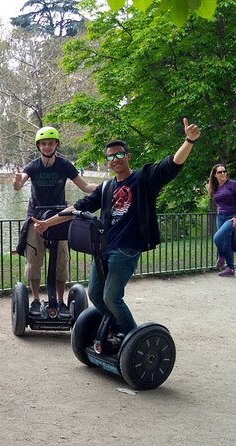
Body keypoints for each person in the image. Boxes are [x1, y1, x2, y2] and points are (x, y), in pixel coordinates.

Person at [32, 118, 201, 337]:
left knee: (111, 297)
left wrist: (189, 140)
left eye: (120, 154)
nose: (115, 159)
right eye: (111, 156)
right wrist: (47, 223)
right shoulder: (107, 188)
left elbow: (171, 165)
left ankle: (133, 338)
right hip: (104, 248)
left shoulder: (143, 179)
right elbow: (77, 207)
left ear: (128, 156)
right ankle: (114, 329)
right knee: (94, 294)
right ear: (108, 161)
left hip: (127, 249)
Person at [13, 126, 97, 318]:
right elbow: (19, 184)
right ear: (39, 146)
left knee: (61, 261)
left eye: (51, 143)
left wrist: (105, 187)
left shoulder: (64, 165)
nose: (47, 146)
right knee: (34, 261)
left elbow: (84, 187)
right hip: (36, 217)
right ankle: (35, 299)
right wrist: (17, 181)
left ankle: (60, 301)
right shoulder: (33, 166)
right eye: (44, 143)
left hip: (59, 218)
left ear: (56, 144)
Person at [206, 164, 236, 277]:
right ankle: (230, 268)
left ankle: (221, 255)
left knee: (217, 237)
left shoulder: (232, 184)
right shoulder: (214, 188)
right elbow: (218, 202)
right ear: (215, 175)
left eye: (224, 171)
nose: (223, 173)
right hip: (220, 216)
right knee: (226, 242)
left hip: (231, 217)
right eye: (220, 172)